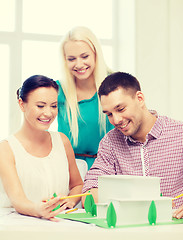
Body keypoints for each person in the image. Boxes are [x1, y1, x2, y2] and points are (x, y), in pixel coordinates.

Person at [82, 71, 183, 219]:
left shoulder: (179, 134)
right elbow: (89, 191)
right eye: (109, 114)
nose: (116, 120)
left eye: (121, 109)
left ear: (140, 99)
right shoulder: (110, 142)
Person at [0, 75, 83, 221]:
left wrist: (70, 200)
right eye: (40, 106)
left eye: (53, 106)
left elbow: (77, 185)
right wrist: (39, 210)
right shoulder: (6, 149)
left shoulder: (62, 141)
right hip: (20, 226)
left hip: (60, 225)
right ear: (21, 104)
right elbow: (18, 200)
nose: (48, 113)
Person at [57, 26, 114, 170]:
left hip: (109, 169)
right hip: (69, 170)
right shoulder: (58, 90)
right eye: (71, 59)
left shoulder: (116, 84)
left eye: (84, 56)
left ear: (96, 54)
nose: (79, 64)